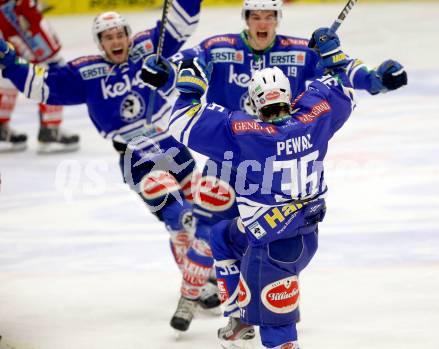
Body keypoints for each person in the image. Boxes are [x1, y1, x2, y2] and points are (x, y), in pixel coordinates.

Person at [167, 0, 407, 336]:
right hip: (242, 164)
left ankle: (260, 307)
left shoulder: (297, 52)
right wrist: (364, 74)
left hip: (234, 144)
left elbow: (180, 99)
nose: (262, 22)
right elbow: (339, 80)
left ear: (277, 19)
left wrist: (178, 83)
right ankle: (198, 297)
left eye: (268, 15)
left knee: (237, 239)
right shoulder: (218, 47)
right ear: (246, 19)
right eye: (255, 15)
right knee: (213, 234)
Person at [0, 1, 221, 313]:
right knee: (177, 216)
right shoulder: (86, 72)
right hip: (135, 156)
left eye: (120, 34)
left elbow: (181, 25)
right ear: (100, 43)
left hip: (170, 144)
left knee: (203, 214)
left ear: (128, 35)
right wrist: (10, 62)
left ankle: (202, 274)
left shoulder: (148, 48)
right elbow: (43, 85)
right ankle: (194, 282)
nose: (116, 41)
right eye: (108, 37)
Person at [163, 53, 358, 348]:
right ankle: (239, 321)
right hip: (302, 236)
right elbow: (345, 91)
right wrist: (333, 60)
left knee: (279, 334)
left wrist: (190, 88)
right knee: (222, 236)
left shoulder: (245, 134)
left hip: (273, 251)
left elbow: (179, 122)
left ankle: (254, 322)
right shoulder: (315, 117)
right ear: (289, 96)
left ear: (254, 102)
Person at [0, 0, 79, 153]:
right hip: (19, 18)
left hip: (12, 20)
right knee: (53, 69)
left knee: (9, 67)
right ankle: (50, 128)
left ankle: (1, 125)